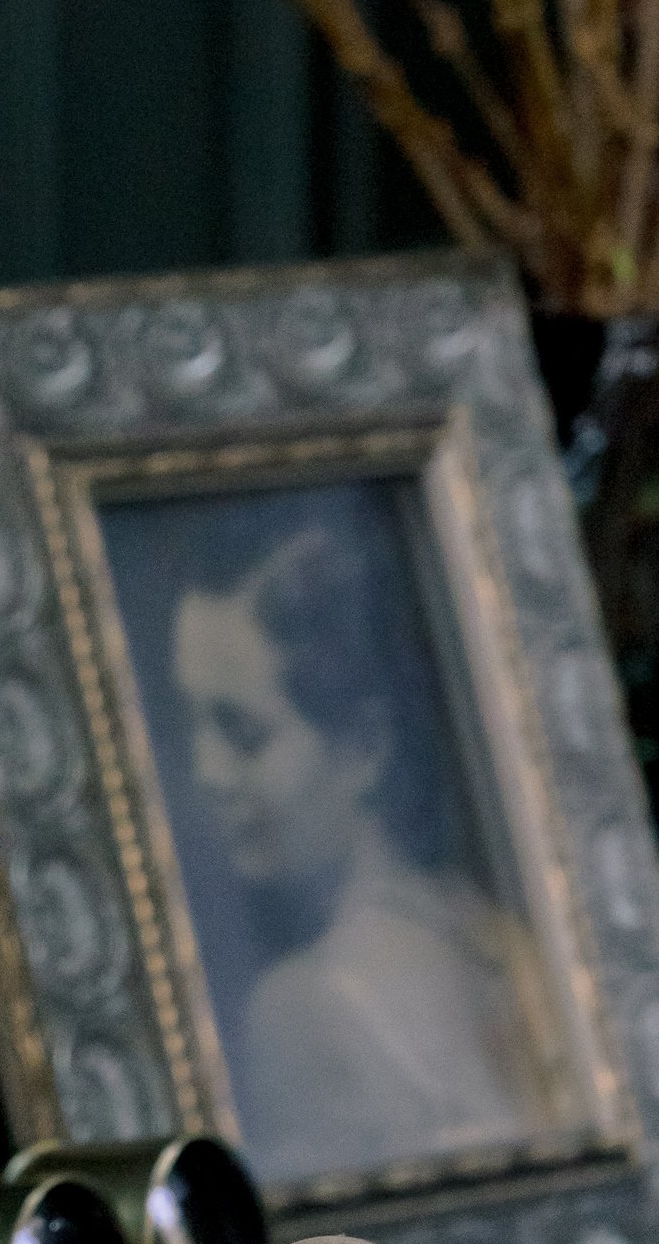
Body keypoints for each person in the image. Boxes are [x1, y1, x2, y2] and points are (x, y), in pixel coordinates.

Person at [168, 506, 565, 1186]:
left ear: (364, 749)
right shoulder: (490, 937)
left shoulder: (302, 1009)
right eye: (192, 726)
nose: (206, 774)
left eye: (243, 734)